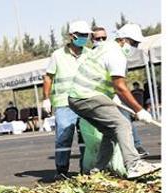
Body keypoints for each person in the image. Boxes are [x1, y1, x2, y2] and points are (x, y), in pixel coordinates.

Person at [68, 23, 160, 179]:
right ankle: (134, 164)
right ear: (123, 40)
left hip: (77, 97)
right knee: (122, 124)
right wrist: (140, 110)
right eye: (134, 43)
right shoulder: (116, 53)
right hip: (87, 95)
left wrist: (114, 98)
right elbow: (120, 86)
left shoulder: (105, 48)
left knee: (111, 132)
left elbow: (107, 81)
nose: (135, 47)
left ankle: (97, 171)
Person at [42, 20, 91, 181]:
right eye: (81, 35)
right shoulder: (57, 55)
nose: (84, 38)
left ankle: (87, 169)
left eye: (86, 35)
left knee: (86, 137)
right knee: (63, 137)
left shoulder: (90, 54)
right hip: (64, 104)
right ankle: (61, 170)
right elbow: (48, 77)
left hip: (85, 101)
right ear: (72, 36)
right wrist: (46, 99)